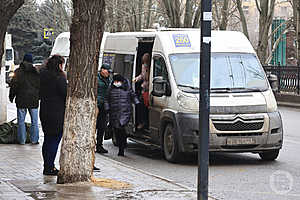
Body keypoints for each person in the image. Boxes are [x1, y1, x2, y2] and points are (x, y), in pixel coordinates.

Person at [39, 55, 67, 176]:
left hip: (45, 111)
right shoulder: (59, 77)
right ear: (59, 65)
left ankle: (47, 165)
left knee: (47, 139)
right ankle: (50, 167)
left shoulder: (43, 76)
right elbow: (65, 93)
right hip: (57, 113)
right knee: (54, 140)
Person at [105, 74, 140, 156]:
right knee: (117, 130)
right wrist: (107, 108)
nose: (116, 83)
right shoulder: (110, 89)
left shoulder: (127, 88)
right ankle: (121, 145)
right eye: (115, 81)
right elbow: (106, 99)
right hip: (114, 112)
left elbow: (133, 95)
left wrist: (137, 103)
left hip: (125, 112)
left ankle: (122, 148)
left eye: (117, 81)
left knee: (121, 128)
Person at [9, 53, 40, 145]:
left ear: (23, 60)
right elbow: (40, 86)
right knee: (34, 121)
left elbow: (14, 85)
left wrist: (11, 96)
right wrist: (39, 96)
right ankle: (34, 140)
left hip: (21, 99)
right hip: (33, 100)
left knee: (21, 122)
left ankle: (21, 141)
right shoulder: (36, 72)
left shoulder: (18, 71)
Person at [96, 63, 112, 154]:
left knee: (102, 126)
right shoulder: (97, 78)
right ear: (102, 70)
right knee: (94, 125)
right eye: (107, 71)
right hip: (97, 105)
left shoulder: (109, 80)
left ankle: (99, 145)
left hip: (104, 105)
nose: (108, 73)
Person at [133, 53, 150, 129]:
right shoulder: (144, 66)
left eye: (145, 60)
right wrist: (136, 79)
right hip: (144, 90)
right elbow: (142, 76)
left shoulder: (152, 66)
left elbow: (148, 77)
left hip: (149, 89)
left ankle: (145, 122)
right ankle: (142, 122)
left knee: (145, 107)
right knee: (141, 106)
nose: (144, 62)